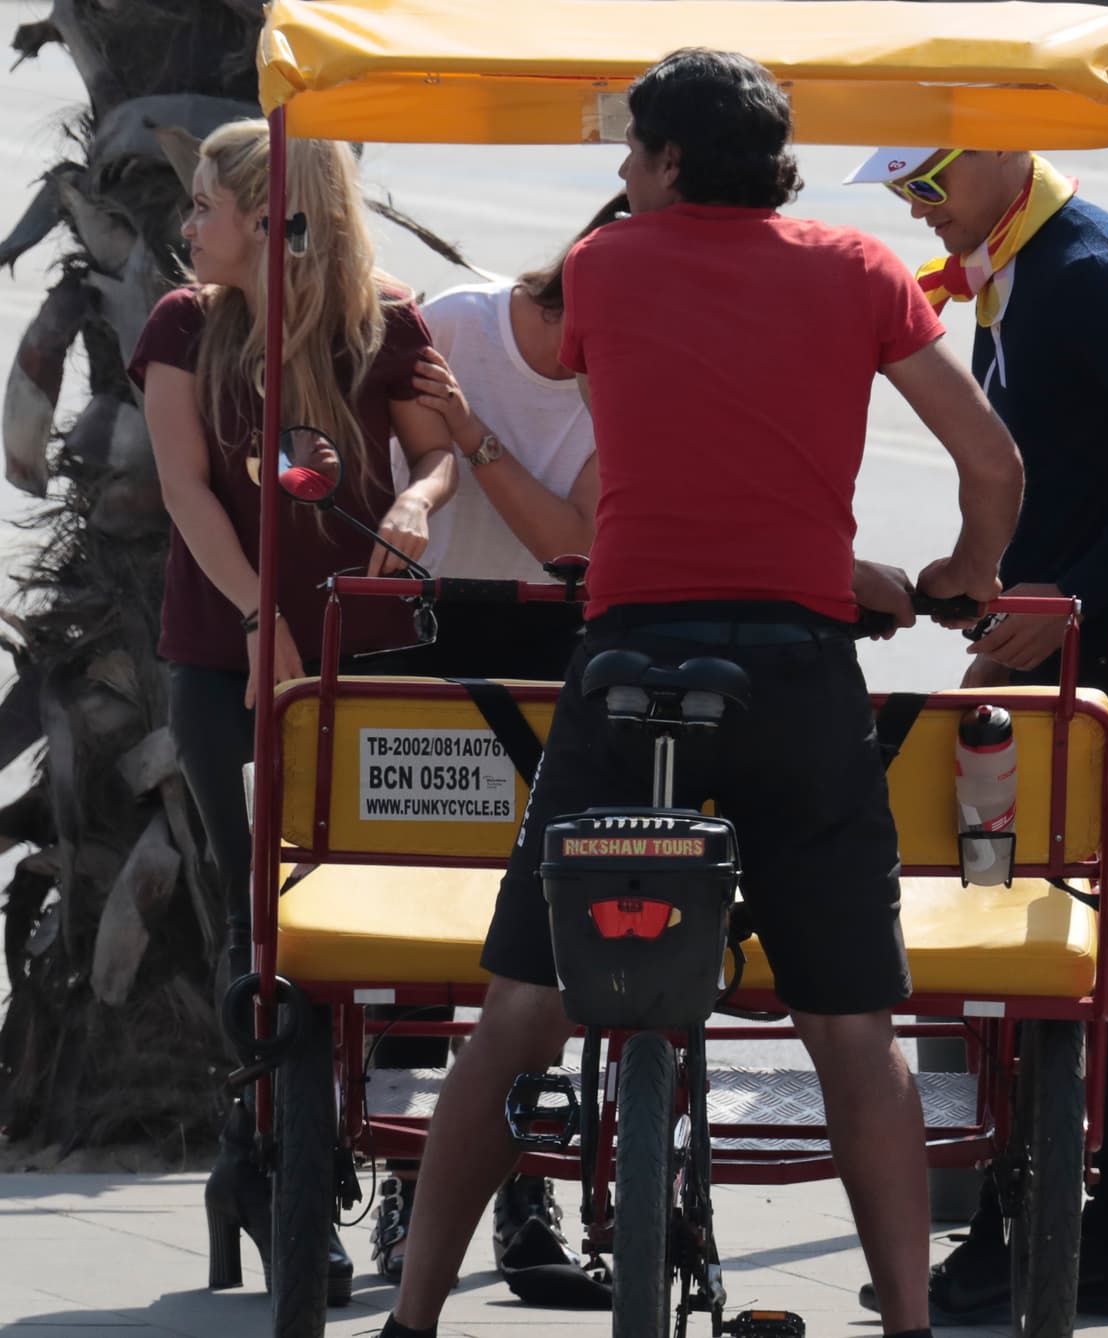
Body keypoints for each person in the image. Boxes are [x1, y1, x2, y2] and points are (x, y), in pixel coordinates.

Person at [378, 49, 1025, 1338]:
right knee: (851, 1029)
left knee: (515, 1014)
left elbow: (559, 355)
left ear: (669, 161)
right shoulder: (859, 270)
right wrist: (962, 572)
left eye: (631, 154)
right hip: (792, 675)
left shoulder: (609, 267)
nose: (620, 176)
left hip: (628, 665)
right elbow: (991, 463)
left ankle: (409, 1321)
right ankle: (903, 1320)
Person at [847, 145, 1108, 1322]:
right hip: (1074, 626)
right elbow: (1054, 473)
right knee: (1025, 935)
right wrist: (997, 597)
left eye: (926, 185)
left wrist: (1064, 597)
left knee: (1100, 945)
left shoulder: (1081, 268)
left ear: (1000, 159)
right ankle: (1022, 1228)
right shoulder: (1011, 262)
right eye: (902, 194)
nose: (917, 210)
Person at [128, 118, 457, 1305]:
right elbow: (182, 488)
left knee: (402, 911)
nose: (190, 225)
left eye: (207, 205)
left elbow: (435, 453)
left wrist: (420, 500)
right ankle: (265, 1171)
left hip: (370, 664)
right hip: (228, 661)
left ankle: (404, 1171)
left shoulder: (383, 320)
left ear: (271, 218)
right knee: (253, 916)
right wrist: (264, 616)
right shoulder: (183, 326)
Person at [366, 195, 628, 1299]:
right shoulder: (457, 326)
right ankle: (401, 1183)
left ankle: (524, 1189)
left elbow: (577, 543)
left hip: (557, 634)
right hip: (427, 622)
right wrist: (454, 450)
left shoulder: (628, 374)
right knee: (412, 918)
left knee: (540, 932)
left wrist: (477, 439)